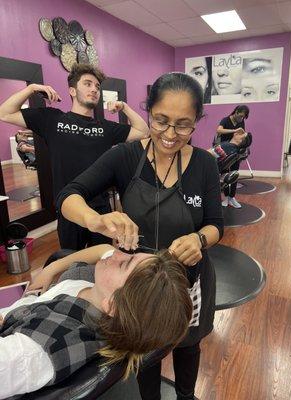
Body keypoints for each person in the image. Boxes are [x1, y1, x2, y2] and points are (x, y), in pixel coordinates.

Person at [56, 72, 224, 400]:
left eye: (183, 124)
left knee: (188, 348)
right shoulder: (125, 156)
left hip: (189, 280)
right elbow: (68, 195)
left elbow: (217, 224)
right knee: (145, 355)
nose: (170, 134)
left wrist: (199, 240)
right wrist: (95, 219)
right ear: (148, 111)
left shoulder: (204, 163)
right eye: (160, 120)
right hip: (138, 287)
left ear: (197, 121)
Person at [0, 244, 193, 399]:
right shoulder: (95, 290)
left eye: (124, 263)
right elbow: (104, 250)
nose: (118, 253)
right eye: (133, 254)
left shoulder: (40, 348)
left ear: (114, 306)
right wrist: (51, 269)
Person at [0, 63, 149, 250]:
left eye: (97, 86)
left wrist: (124, 107)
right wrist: (31, 88)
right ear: (72, 90)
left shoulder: (105, 128)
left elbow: (143, 132)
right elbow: (4, 113)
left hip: (100, 210)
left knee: (100, 259)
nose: (94, 89)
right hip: (69, 209)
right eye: (88, 84)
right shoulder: (52, 119)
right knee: (71, 262)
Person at [216, 105, 250, 208]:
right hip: (224, 150)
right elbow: (219, 130)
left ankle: (232, 197)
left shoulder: (241, 121)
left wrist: (245, 135)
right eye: (240, 116)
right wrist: (234, 131)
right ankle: (226, 197)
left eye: (243, 117)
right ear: (235, 112)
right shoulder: (225, 120)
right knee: (225, 174)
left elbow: (242, 135)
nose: (241, 119)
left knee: (234, 174)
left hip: (235, 151)